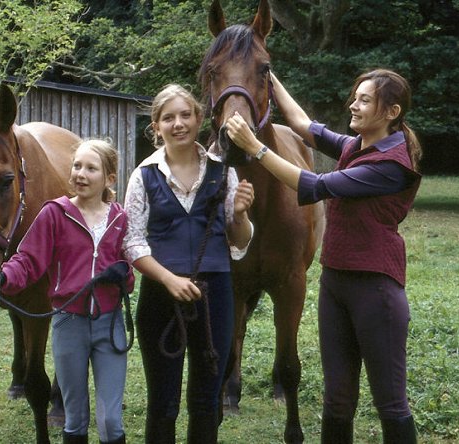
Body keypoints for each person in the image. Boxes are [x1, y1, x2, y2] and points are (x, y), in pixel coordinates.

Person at [226, 68, 421, 443]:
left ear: (391, 111)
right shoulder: (355, 146)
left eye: (365, 100)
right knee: (337, 400)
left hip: (375, 291)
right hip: (335, 284)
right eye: (356, 96)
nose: (354, 104)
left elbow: (314, 185)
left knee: (390, 403)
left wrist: (255, 148)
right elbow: (303, 125)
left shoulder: (391, 164)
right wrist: (270, 79)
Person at [122, 84, 254, 444]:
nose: (178, 124)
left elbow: (239, 243)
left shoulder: (222, 171)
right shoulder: (144, 175)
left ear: (199, 119)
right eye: (168, 118)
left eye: (185, 115)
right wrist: (169, 280)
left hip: (216, 298)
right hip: (160, 297)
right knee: (163, 401)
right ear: (156, 126)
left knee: (206, 399)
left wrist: (240, 214)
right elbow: (132, 242)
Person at [0, 139, 135, 444]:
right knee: (74, 417)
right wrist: (3, 277)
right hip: (68, 323)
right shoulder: (55, 214)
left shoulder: (120, 219)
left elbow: (130, 271)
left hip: (109, 324)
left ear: (109, 179)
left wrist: (123, 273)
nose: (80, 174)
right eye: (77, 166)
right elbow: (28, 260)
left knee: (111, 420)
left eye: (91, 168)